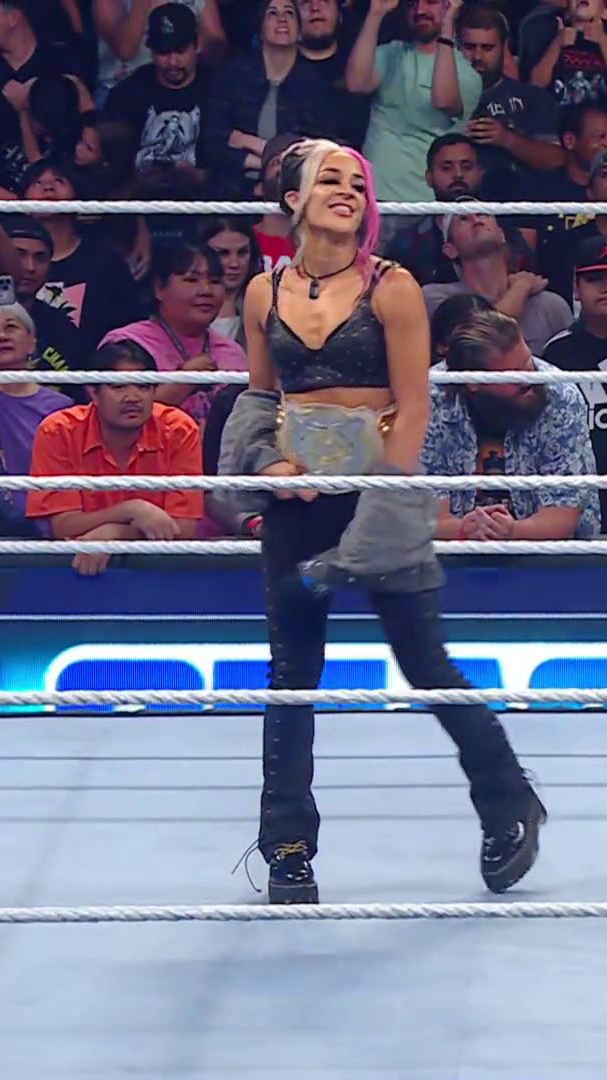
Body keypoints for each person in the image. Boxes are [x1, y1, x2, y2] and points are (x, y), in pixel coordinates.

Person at [226, 138, 545, 905]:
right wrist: (266, 464)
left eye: (358, 183)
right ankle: (287, 848)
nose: (348, 192)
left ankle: (509, 801)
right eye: (329, 181)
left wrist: (382, 499)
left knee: (424, 660)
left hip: (381, 492)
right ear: (293, 199)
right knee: (291, 675)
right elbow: (260, 396)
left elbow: (415, 407)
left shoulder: (392, 287)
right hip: (298, 500)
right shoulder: (264, 291)